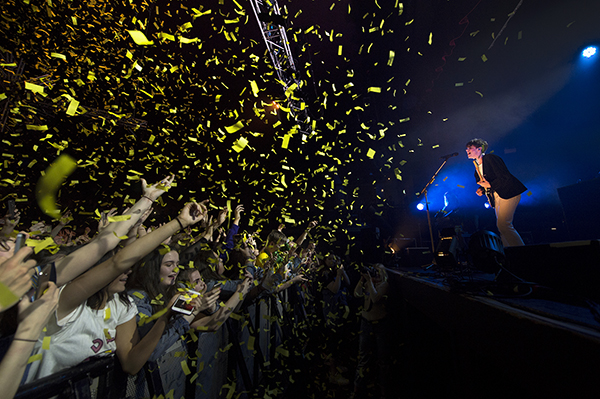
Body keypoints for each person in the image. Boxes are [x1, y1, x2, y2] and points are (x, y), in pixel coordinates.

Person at [466, 138, 526, 247]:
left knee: (504, 224)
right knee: (502, 227)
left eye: (470, 148)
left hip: (509, 192)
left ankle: (520, 252)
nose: (467, 151)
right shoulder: (477, 166)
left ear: (479, 149)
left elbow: (504, 176)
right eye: (466, 149)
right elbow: (488, 182)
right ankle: (509, 252)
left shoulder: (490, 158)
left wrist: (490, 185)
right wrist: (482, 190)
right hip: (497, 194)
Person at [352, 264, 390, 399]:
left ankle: (384, 391)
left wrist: (369, 282)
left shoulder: (384, 285)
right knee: (363, 357)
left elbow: (375, 298)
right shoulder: (369, 283)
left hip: (380, 325)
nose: (377, 275)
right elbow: (356, 294)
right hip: (365, 323)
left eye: (380, 272)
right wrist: (362, 280)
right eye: (375, 272)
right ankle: (357, 390)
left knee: (383, 359)